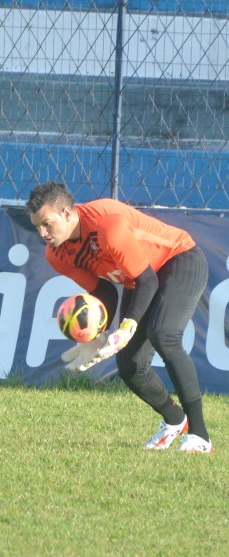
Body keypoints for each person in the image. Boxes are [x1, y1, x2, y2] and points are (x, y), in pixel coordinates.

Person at [27, 182, 213, 454]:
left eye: (46, 224)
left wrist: (127, 326)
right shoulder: (56, 254)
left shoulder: (107, 225)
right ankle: (175, 419)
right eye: (37, 226)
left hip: (179, 259)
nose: (42, 233)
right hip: (139, 279)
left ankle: (200, 436)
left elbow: (147, 280)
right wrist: (96, 334)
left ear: (66, 213)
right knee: (129, 366)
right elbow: (103, 292)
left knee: (164, 335)